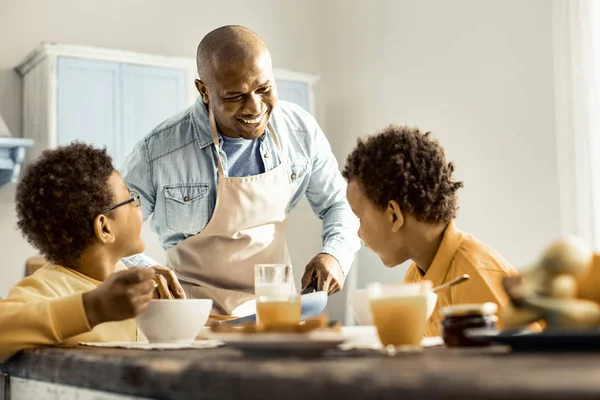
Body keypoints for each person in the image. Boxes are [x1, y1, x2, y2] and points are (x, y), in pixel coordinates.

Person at [121, 25, 360, 315]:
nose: (254, 107)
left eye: (264, 89)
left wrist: (334, 254)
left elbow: (338, 202)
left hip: (277, 313)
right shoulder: (157, 152)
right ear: (204, 91)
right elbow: (110, 238)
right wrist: (147, 271)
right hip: (193, 318)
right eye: (235, 96)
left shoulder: (300, 131)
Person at [0, 143, 184, 362]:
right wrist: (94, 307)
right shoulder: (49, 287)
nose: (140, 208)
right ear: (105, 228)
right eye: (132, 199)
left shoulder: (123, 280)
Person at [342, 125, 518, 336]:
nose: (358, 232)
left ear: (394, 215)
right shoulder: (415, 279)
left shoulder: (476, 276)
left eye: (359, 218)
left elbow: (524, 363)